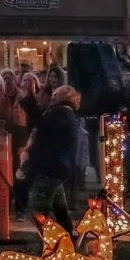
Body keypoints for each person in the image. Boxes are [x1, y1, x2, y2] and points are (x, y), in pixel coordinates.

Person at [27, 84, 80, 236]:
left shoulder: (63, 114)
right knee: (59, 207)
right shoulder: (60, 113)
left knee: (39, 208)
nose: (53, 96)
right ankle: (67, 235)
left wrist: (31, 100)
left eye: (56, 94)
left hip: (51, 166)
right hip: (54, 166)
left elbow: (44, 127)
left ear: (66, 97)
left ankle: (50, 242)